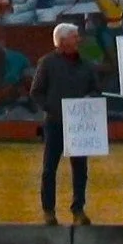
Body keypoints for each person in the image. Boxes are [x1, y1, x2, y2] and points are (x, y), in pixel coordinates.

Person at [29, 23, 104, 226]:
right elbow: (36, 92)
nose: (78, 39)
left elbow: (96, 89)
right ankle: (49, 211)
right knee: (49, 168)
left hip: (80, 126)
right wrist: (52, 108)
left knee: (80, 169)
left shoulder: (87, 65)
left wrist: (89, 100)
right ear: (62, 41)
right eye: (74, 36)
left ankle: (78, 209)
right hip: (54, 124)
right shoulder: (47, 63)